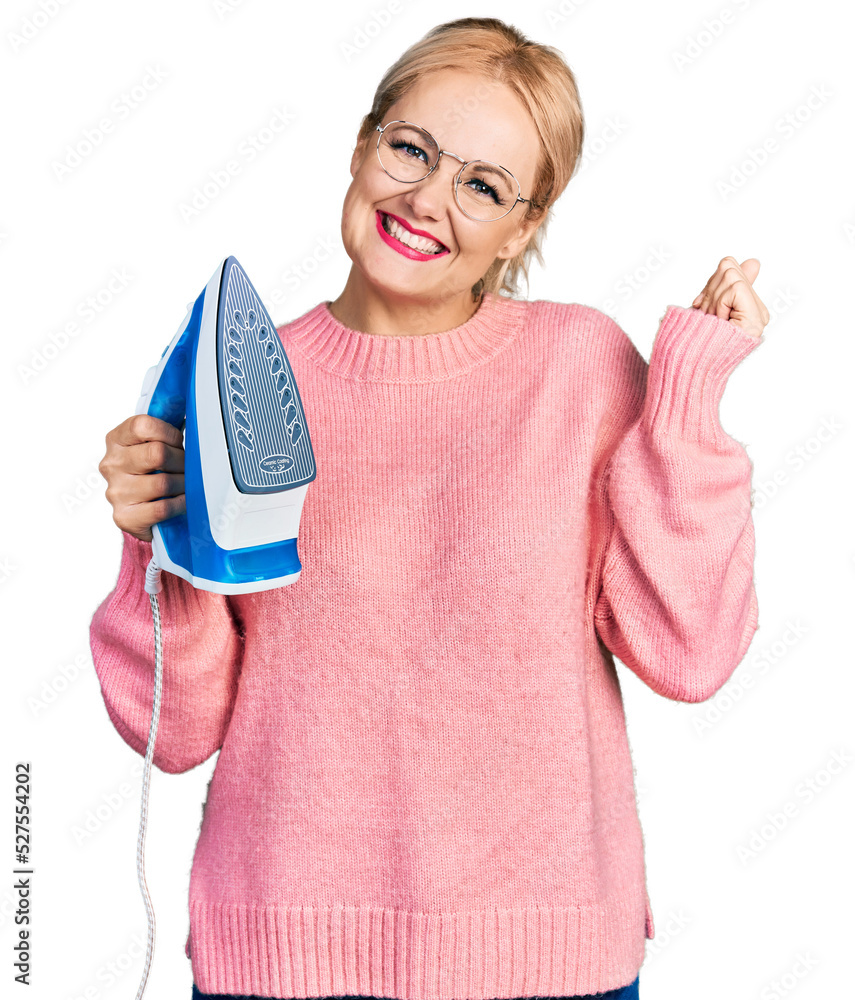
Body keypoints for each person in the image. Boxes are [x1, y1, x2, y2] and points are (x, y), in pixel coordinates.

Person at [90, 17, 769, 1000]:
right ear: (364, 145)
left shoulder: (580, 370)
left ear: (524, 227)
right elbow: (173, 732)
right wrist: (163, 540)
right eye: (412, 149)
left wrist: (688, 402)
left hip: (548, 963)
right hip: (281, 959)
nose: (426, 199)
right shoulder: (236, 381)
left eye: (483, 185)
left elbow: (689, 651)